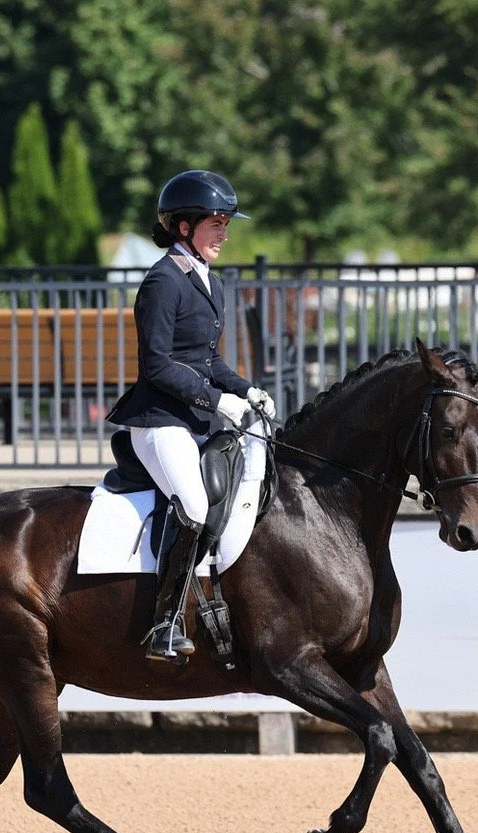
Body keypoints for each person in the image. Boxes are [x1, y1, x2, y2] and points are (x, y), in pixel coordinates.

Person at [107, 170, 276, 660]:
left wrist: (247, 390)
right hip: (159, 421)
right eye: (216, 223)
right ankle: (162, 623)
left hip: (191, 419)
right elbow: (158, 364)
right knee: (196, 507)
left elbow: (207, 361)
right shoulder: (163, 281)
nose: (225, 232)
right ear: (184, 227)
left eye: (226, 223)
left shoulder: (208, 280)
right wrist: (218, 401)